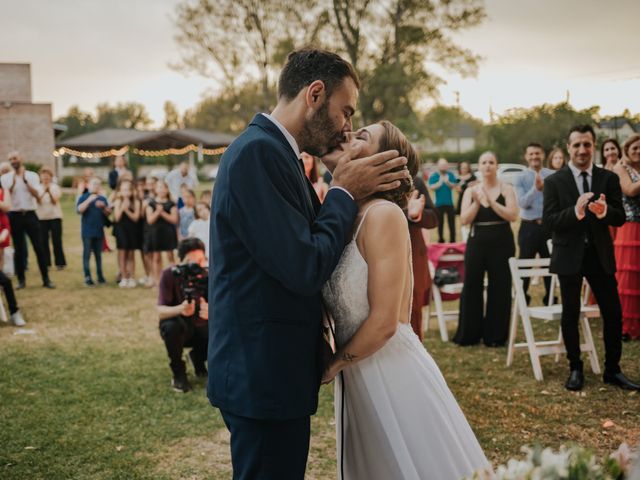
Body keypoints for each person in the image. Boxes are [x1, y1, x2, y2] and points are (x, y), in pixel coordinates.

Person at [208, 48, 409, 480]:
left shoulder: (282, 155)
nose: (348, 127)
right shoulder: (258, 154)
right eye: (346, 111)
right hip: (261, 376)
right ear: (315, 94)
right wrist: (341, 192)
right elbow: (303, 266)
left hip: (275, 373)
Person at [321, 121, 490, 479]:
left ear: (386, 163)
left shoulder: (383, 215)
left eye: (362, 137)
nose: (349, 137)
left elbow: (384, 322)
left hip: (391, 371)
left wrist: (334, 364)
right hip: (359, 375)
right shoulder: (345, 215)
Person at [542, 124, 639, 391]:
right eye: (577, 145)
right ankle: (575, 368)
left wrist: (605, 211)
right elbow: (549, 222)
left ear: (593, 146)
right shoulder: (554, 181)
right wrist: (575, 212)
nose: (582, 150)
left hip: (600, 255)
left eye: (587, 144)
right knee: (570, 313)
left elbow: (620, 217)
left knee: (613, 312)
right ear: (568, 148)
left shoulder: (607, 179)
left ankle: (613, 370)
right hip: (568, 255)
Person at [454, 152, 518, 347]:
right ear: (479, 168)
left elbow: (512, 215)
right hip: (477, 241)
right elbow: (464, 220)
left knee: (500, 286)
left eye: (491, 162)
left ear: (497, 166)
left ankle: (496, 335)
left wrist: (491, 202)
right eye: (484, 162)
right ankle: (470, 334)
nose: (488, 165)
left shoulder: (506, 189)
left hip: (502, 241)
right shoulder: (470, 190)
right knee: (472, 284)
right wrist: (476, 202)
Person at [157, 237, 209, 393]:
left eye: (199, 261)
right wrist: (180, 309)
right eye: (190, 262)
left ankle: (199, 360)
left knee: (223, 325)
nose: (195, 266)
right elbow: (160, 311)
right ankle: (178, 373)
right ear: (179, 260)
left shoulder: (208, 275)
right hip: (182, 329)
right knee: (170, 326)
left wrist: (212, 311)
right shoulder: (170, 275)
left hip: (203, 328)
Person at [0, 151, 54, 289]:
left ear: (21, 159)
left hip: (30, 214)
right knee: (19, 249)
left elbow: (37, 196)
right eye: (10, 159)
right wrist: (12, 183)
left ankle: (46, 279)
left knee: (39, 247)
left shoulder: (32, 176)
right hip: (15, 215)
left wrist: (26, 182)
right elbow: (6, 196)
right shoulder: (5, 178)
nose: (13, 161)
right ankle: (21, 280)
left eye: (15, 158)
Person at [514, 143, 554, 305]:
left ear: (543, 155)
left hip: (549, 226)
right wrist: (536, 189)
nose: (534, 157)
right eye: (531, 154)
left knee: (551, 264)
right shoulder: (520, 177)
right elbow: (522, 203)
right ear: (526, 157)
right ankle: (522, 299)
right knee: (524, 265)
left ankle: (550, 299)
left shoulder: (552, 175)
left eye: (537, 153)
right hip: (528, 226)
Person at [613, 134, 640, 340]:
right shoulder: (621, 168)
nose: (638, 151)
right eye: (635, 148)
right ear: (627, 150)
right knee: (629, 278)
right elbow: (630, 191)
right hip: (631, 227)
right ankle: (627, 327)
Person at [406, 176, 438, 341]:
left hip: (412, 256)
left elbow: (433, 218)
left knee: (413, 312)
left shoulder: (415, 182)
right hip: (377, 256)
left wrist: (415, 215)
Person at [76, 178, 111, 286]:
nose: (96, 186)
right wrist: (89, 200)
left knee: (98, 256)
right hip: (87, 232)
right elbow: (79, 210)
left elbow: (108, 213)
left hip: (99, 231)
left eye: (98, 184)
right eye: (94, 184)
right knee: (86, 255)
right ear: (89, 185)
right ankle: (87, 277)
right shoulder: (83, 197)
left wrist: (104, 207)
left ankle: (100, 277)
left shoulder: (102, 198)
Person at [146, 180, 178, 286]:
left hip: (168, 233)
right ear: (155, 189)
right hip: (155, 233)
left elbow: (174, 220)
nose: (161, 190)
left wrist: (163, 213)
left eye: (163, 187)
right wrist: (157, 212)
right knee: (156, 257)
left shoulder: (171, 203)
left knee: (170, 256)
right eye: (159, 187)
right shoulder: (151, 203)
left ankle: (174, 280)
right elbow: (150, 220)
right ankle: (158, 280)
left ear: (167, 189)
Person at [112, 178, 142, 288]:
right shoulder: (118, 201)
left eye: (128, 189)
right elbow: (117, 218)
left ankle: (132, 277)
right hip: (121, 230)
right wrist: (122, 207)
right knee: (122, 254)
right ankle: (124, 277)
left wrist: (127, 210)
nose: (126, 192)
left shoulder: (136, 202)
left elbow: (136, 218)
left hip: (132, 230)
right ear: (120, 190)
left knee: (131, 255)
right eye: (124, 189)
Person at [37, 166, 66, 271]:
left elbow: (55, 201)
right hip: (42, 218)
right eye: (43, 175)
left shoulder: (55, 187)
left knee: (57, 240)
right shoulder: (37, 187)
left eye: (47, 175)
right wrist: (44, 191)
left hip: (55, 217)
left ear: (50, 176)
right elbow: (37, 201)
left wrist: (49, 191)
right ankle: (46, 263)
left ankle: (60, 263)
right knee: (43, 241)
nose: (45, 177)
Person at [428, 157, 458, 243]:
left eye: (445, 165)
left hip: (450, 203)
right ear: (438, 166)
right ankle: (441, 240)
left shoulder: (451, 175)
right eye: (442, 165)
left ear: (447, 166)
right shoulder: (434, 175)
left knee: (452, 224)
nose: (443, 166)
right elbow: (431, 187)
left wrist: (447, 181)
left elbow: (454, 186)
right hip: (438, 204)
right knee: (440, 224)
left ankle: (453, 241)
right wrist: (440, 182)